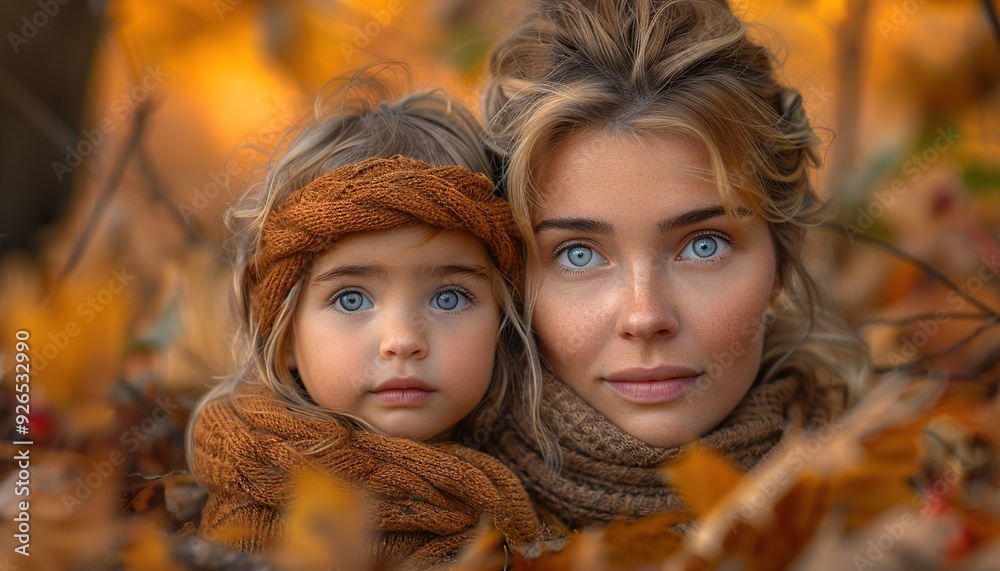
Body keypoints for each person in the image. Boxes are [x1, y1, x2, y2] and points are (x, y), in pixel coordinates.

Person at [481, 0, 870, 531]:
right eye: (578, 254)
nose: (645, 317)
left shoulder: (906, 491)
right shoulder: (407, 524)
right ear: (514, 277)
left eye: (703, 245)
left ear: (784, 257)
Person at [186, 64, 553, 568]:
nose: (402, 340)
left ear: (501, 319)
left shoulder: (541, 476)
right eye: (351, 299)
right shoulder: (259, 508)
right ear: (285, 331)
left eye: (448, 298)